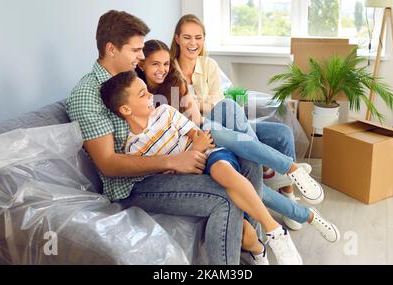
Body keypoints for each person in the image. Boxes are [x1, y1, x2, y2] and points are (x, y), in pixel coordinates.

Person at [65, 10, 264, 265]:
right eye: (136, 50)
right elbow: (108, 163)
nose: (141, 56)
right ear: (111, 49)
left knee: (249, 162)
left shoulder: (129, 75)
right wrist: (172, 161)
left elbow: (164, 108)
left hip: (168, 156)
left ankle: (253, 243)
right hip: (135, 183)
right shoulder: (87, 95)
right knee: (226, 196)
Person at [136, 39, 341, 244]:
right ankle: (306, 213)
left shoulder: (175, 81)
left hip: (199, 133)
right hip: (192, 150)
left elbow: (197, 122)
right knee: (248, 181)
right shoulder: (137, 96)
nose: (162, 69)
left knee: (229, 108)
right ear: (141, 64)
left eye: (165, 64)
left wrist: (195, 126)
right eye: (155, 64)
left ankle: (287, 170)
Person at [100, 71, 304, 265]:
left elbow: (199, 136)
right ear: (126, 109)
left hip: (210, 155)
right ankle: (259, 247)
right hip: (189, 173)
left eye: (147, 90)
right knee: (235, 207)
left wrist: (194, 149)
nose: (151, 95)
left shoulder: (165, 112)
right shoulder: (133, 148)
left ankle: (274, 229)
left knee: (223, 171)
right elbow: (166, 173)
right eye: (143, 94)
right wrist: (181, 161)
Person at [169, 14, 326, 230]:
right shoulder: (168, 70)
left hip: (223, 119)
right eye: (187, 37)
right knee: (230, 108)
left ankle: (288, 191)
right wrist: (202, 103)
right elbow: (186, 112)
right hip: (201, 129)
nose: (193, 43)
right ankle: (271, 171)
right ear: (177, 38)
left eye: (198, 37)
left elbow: (217, 101)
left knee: (282, 132)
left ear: (204, 39)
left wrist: (197, 101)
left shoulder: (209, 65)